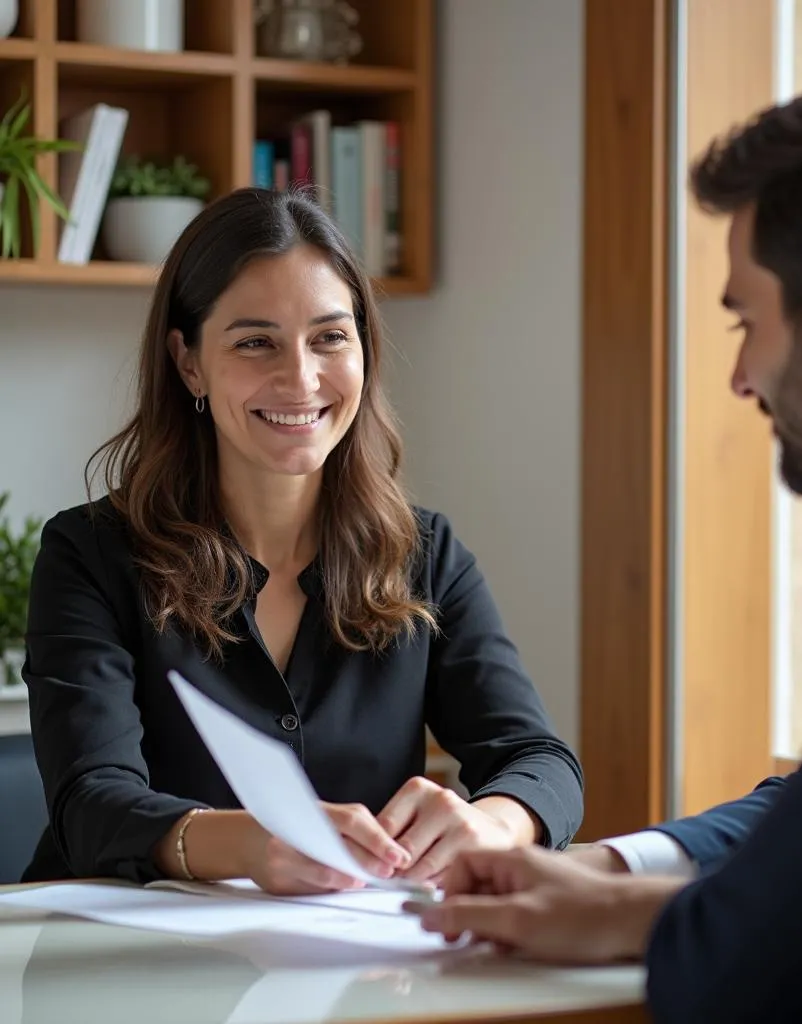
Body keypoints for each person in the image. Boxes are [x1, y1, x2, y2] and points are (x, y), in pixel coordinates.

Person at [408, 65, 802, 1022]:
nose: (741, 377)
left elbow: (756, 961)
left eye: (746, 320)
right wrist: (619, 875)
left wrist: (643, 920)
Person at [21, 187, 583, 893]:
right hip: (122, 965)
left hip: (352, 968)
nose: (301, 377)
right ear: (188, 361)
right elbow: (91, 805)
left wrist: (494, 823)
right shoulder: (90, 554)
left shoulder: (426, 555)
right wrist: (249, 844)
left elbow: (541, 762)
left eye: (330, 337)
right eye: (256, 342)